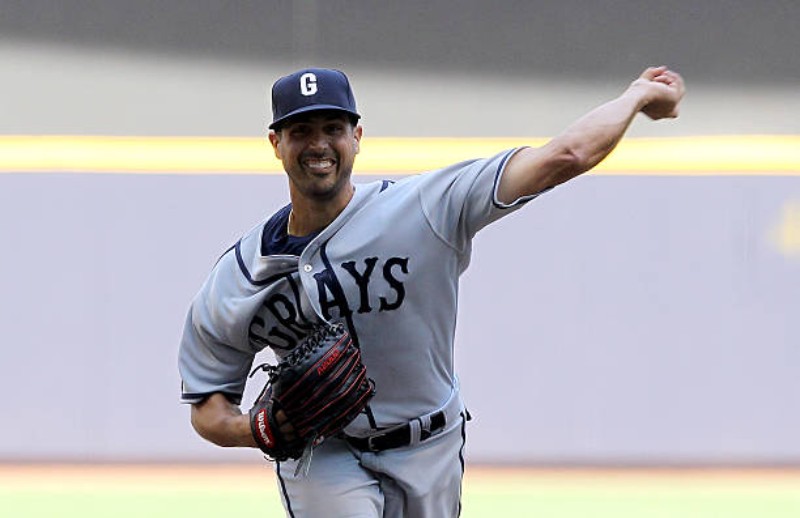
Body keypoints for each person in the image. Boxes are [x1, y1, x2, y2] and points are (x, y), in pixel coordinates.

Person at [178, 66, 685, 517]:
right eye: (301, 131)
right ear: (275, 142)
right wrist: (255, 429)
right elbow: (207, 403)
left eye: (333, 128)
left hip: (429, 444)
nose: (318, 144)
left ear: (357, 136)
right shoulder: (239, 276)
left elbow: (566, 155)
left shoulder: (424, 207)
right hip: (323, 452)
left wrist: (637, 96)